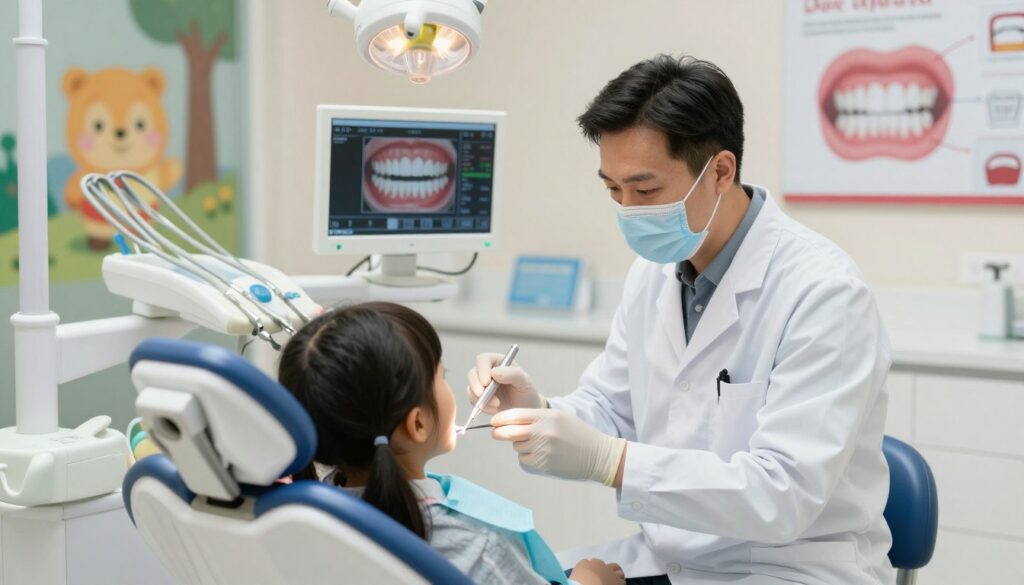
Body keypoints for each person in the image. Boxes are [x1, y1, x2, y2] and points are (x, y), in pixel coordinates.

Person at [468, 55, 895, 585]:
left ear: (720, 170)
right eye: (612, 189)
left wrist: (611, 462)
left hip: (790, 566)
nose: (628, 209)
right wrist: (537, 411)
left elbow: (783, 493)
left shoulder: (823, 293)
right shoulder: (653, 275)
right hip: (669, 557)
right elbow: (611, 407)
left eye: (645, 191)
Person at [278, 301, 626, 585]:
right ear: (418, 423)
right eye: (441, 377)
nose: (450, 386)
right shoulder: (476, 547)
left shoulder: (308, 520)